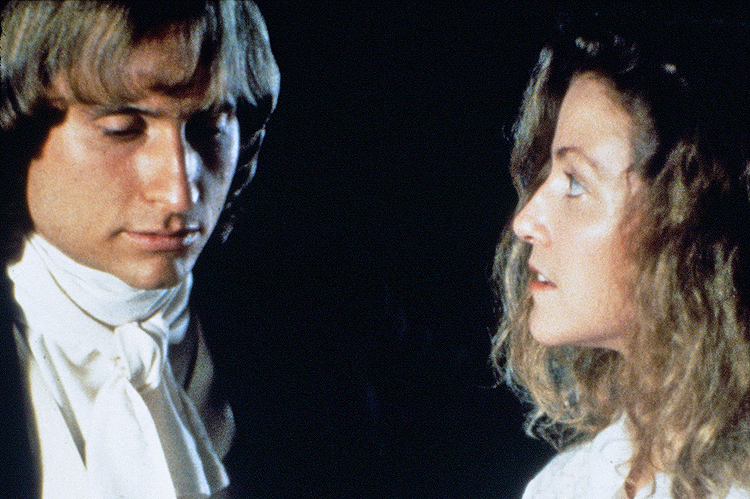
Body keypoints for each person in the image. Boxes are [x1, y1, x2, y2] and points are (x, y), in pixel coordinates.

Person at [0, 0, 279, 497]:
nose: (180, 191)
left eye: (210, 125)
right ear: (17, 134)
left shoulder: (330, 349)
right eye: (122, 129)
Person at [491, 8, 750, 499]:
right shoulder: (562, 488)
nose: (524, 222)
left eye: (574, 182)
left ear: (685, 220)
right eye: (548, 173)